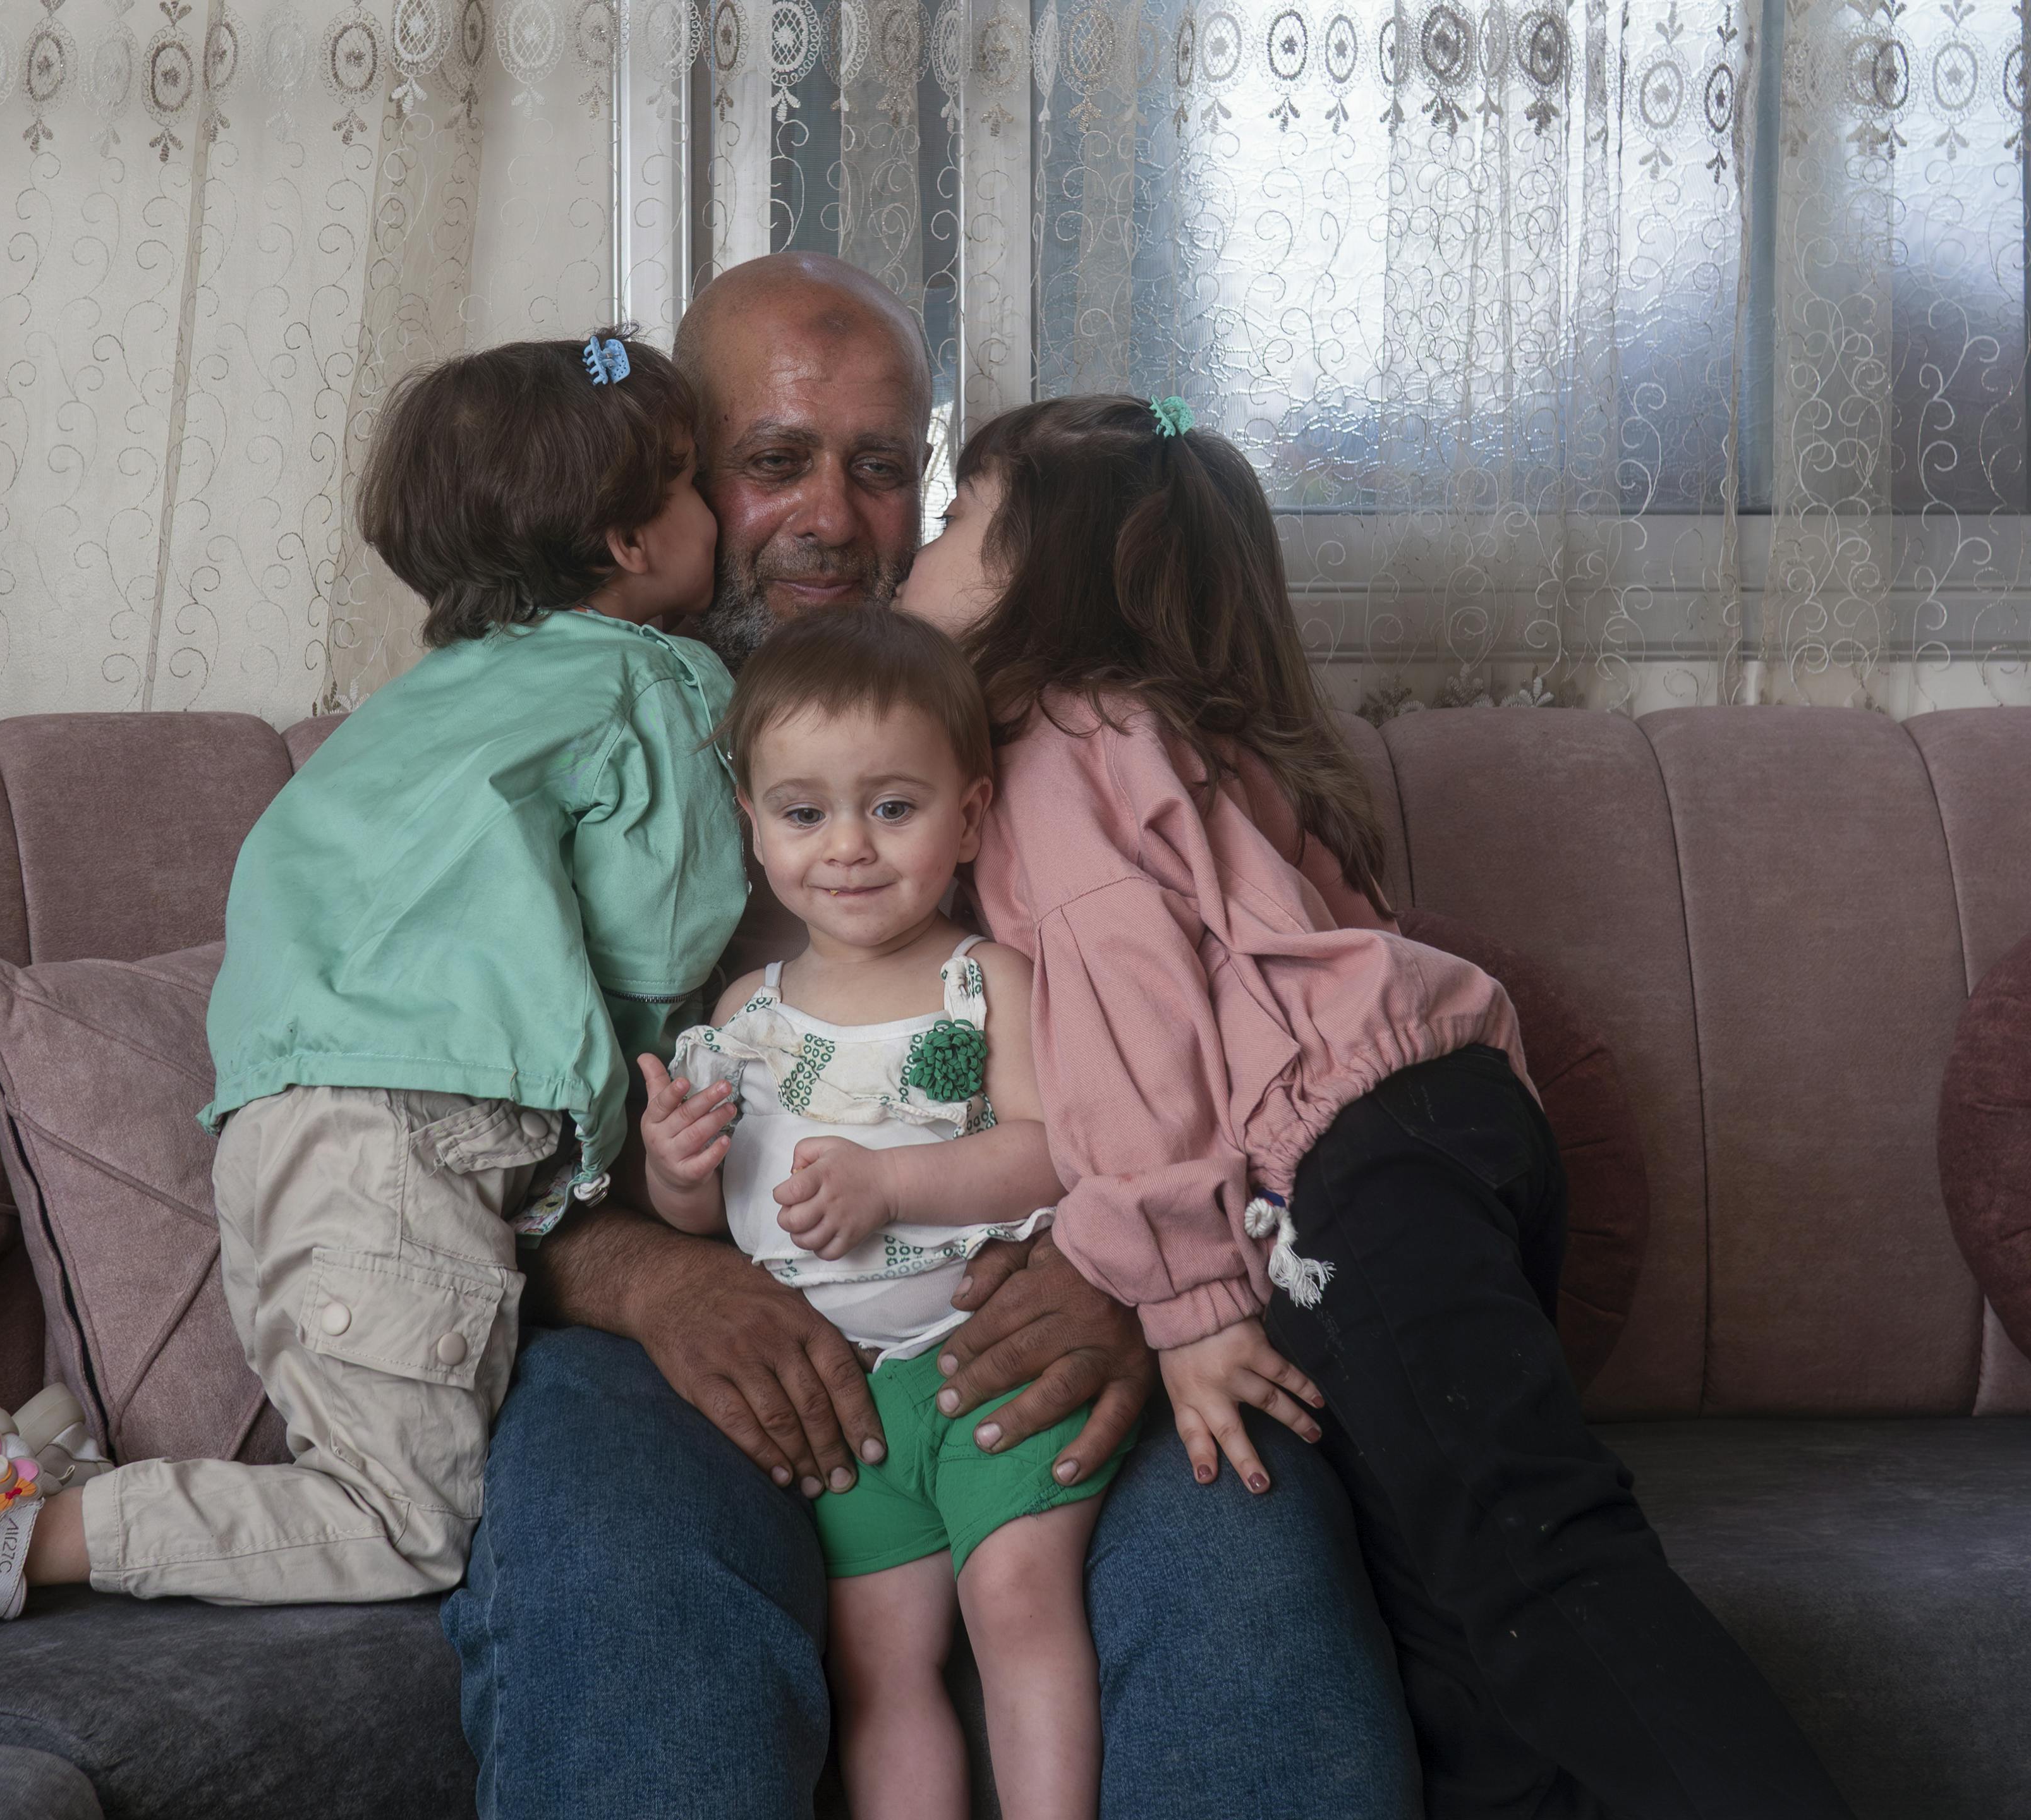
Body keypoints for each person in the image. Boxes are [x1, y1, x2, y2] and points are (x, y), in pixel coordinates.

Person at [446, 252, 1421, 1820]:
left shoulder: (1073, 728)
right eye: (774, 463)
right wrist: (648, 1271)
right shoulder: (540, 734)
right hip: (670, 1329)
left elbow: (1278, 1051)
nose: (834, 517)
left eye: (888, 471)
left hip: (1037, 1314)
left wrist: (1126, 1269)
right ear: (671, 485)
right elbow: (445, 1151)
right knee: (614, 1564)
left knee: (1254, 1540)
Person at [896, 391, 1858, 1820]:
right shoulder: (1198, 738)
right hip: (1453, 1131)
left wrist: (1186, 1295)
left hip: (1352, 1175)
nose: (924, 553)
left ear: (1045, 581)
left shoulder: (1049, 755)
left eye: (957, 520)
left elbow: (1135, 1029)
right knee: (1456, 1651)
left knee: (1537, 1573)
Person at [0, 330, 745, 1662]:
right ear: (633, 544)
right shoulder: (657, 678)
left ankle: (37, 1468)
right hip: (424, 1134)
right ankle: (13, 1530)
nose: (724, 519)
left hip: (272, 1129)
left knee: (372, 1457)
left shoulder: (420, 706)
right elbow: (667, 933)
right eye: (700, 483)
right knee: (408, 1522)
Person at [641, 611, 1127, 1820]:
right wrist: (678, 1166)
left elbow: (1049, 1154)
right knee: (877, 1658)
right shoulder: (745, 1010)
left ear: (968, 817)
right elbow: (702, 1227)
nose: (848, 849)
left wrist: (893, 1183)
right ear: (753, 828)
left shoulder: (985, 981)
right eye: (804, 813)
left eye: (893, 808)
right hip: (841, 1399)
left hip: (984, 1362)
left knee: (1018, 1603)